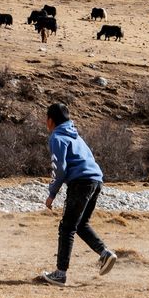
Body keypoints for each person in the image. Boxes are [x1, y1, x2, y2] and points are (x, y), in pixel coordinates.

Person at [40, 103, 117, 286]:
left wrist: (52, 193)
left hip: (80, 182)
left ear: (50, 120)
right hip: (96, 180)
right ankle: (105, 254)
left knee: (67, 227)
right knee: (80, 224)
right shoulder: (76, 136)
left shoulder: (57, 137)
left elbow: (59, 169)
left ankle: (60, 274)